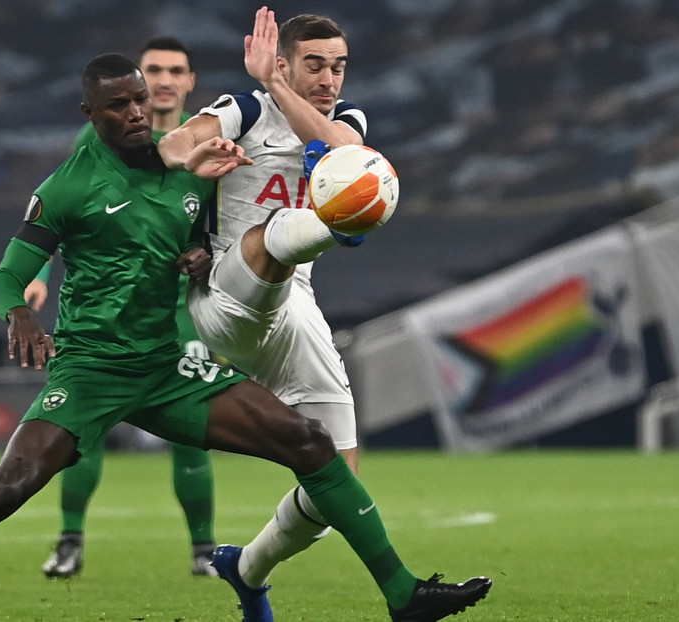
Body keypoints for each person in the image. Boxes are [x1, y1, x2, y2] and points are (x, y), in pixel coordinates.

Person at [0, 52, 490, 622]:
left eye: (140, 100)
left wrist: (201, 257)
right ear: (92, 115)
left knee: (309, 443)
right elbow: (5, 277)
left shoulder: (191, 178)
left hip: (165, 368)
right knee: (9, 486)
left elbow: (198, 246)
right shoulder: (68, 188)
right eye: (117, 106)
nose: (135, 112)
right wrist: (18, 314)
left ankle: (403, 595)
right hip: (90, 370)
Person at [158, 7, 419, 618]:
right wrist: (198, 154)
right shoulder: (243, 110)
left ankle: (246, 569)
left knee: (337, 489)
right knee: (278, 231)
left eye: (339, 66)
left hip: (292, 307)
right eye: (314, 65)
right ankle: (332, 228)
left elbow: (348, 152)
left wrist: (279, 84)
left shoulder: (344, 123)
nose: (330, 79)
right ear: (283, 62)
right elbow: (170, 144)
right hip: (225, 291)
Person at [30, 36, 222, 580]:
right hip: (107, 313)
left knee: (194, 430)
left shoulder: (203, 140)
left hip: (181, 309)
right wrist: (39, 277)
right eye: (153, 69)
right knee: (81, 430)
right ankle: (70, 540)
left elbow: (221, 226)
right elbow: (55, 212)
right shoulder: (92, 142)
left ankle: (203, 549)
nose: (162, 80)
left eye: (174, 71)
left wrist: (206, 253)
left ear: (188, 83)